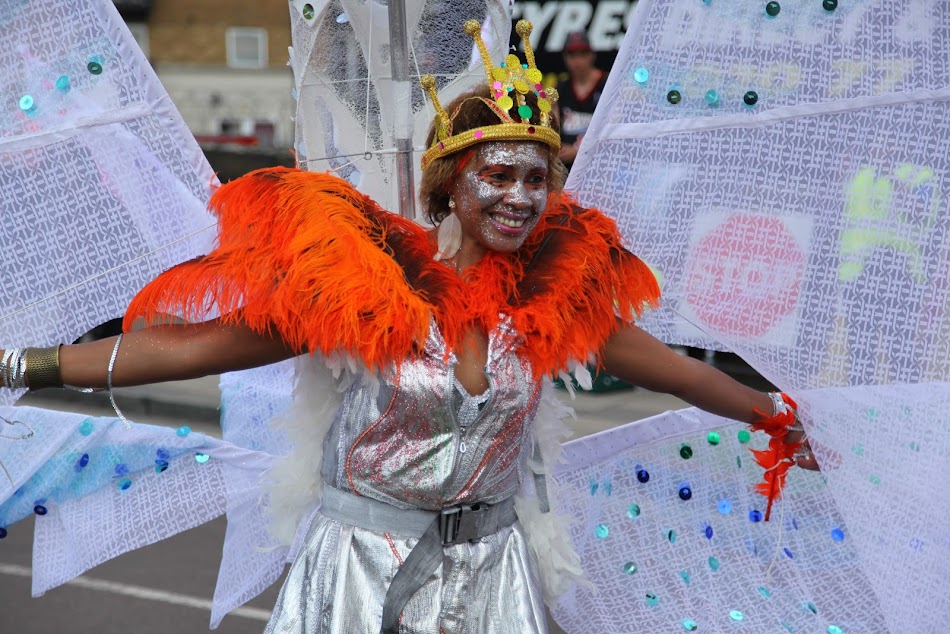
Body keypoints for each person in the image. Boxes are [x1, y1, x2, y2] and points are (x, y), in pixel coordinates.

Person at [0, 20, 814, 634]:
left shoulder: (552, 300)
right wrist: (23, 364)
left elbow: (679, 372)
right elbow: (196, 346)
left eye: (537, 178)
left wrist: (780, 420)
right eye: (497, 174)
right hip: (358, 571)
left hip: (494, 576)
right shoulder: (370, 286)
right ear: (449, 186)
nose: (520, 197)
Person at [555, 31, 608, 170]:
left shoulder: (608, 85)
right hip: (568, 170)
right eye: (572, 55)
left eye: (582, 53)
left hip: (599, 165)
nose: (577, 60)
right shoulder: (561, 88)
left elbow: (614, 130)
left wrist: (579, 150)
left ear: (592, 55)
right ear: (565, 57)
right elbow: (553, 126)